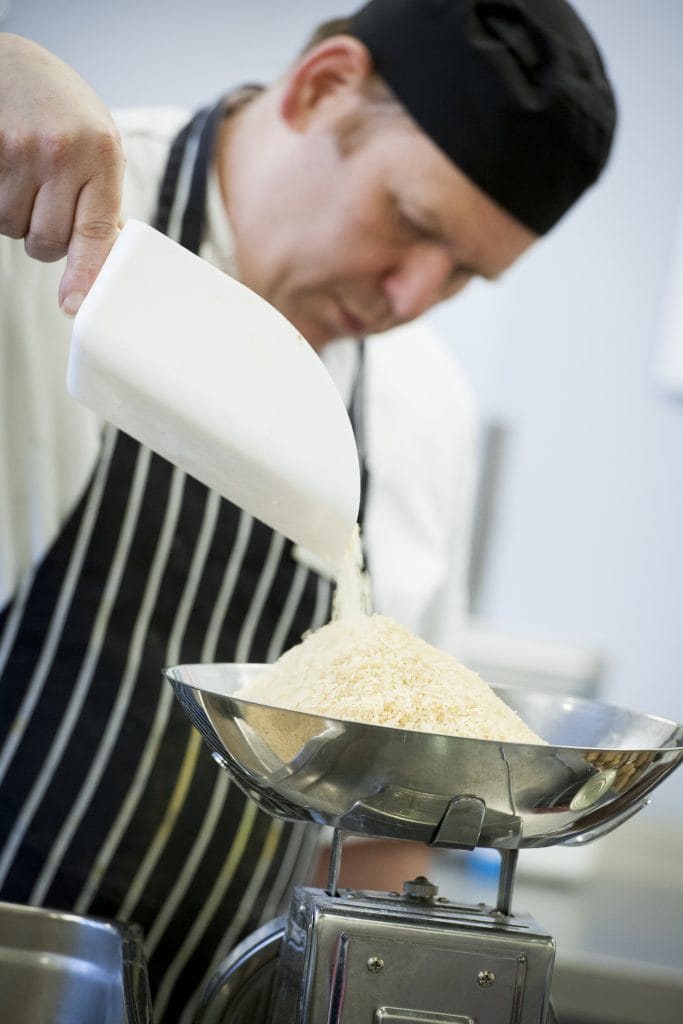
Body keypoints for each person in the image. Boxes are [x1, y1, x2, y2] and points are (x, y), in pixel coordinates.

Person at [0, 1, 616, 1020]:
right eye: (411, 222)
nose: (411, 295)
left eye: (464, 271)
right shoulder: (40, 205)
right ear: (320, 85)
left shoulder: (423, 402)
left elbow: (383, 810)